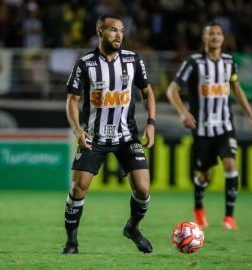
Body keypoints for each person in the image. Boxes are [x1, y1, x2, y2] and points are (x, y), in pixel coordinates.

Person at [62, 14, 156, 254]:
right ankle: (71, 243)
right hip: (94, 137)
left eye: (122, 31)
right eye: (113, 30)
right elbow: (72, 100)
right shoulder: (85, 63)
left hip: (126, 137)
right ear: (100, 32)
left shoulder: (133, 60)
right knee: (77, 188)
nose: (119, 35)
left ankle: (132, 228)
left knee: (143, 190)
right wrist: (77, 129)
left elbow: (148, 91)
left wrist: (151, 123)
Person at [166, 22, 252, 230]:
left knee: (230, 164)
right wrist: (184, 112)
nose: (216, 37)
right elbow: (172, 90)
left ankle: (229, 217)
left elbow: (237, 90)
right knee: (204, 175)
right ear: (204, 38)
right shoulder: (193, 62)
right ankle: (199, 207)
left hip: (225, 126)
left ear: (223, 38)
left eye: (219, 34)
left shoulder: (229, 62)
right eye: (211, 34)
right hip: (202, 129)